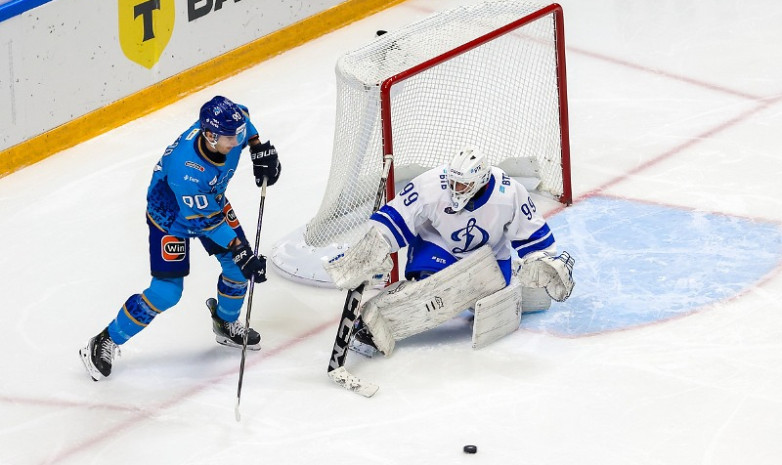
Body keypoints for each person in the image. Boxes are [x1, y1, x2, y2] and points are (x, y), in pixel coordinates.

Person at [79, 96, 282, 381]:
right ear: (210, 136)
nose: (236, 141)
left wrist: (259, 149)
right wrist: (240, 249)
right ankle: (105, 340)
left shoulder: (227, 130)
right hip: (171, 218)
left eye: (238, 135)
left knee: (237, 267)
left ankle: (224, 322)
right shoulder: (185, 170)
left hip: (209, 201)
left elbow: (245, 120)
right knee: (167, 292)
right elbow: (206, 223)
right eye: (230, 137)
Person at [324, 145, 575, 356]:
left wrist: (540, 258)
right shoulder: (432, 184)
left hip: (488, 257)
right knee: (432, 291)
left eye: (462, 185)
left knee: (470, 296)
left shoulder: (508, 192)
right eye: (452, 181)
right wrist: (375, 246)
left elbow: (531, 232)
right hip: (437, 245)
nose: (454, 189)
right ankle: (373, 322)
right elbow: (398, 216)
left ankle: (509, 279)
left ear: (480, 181)